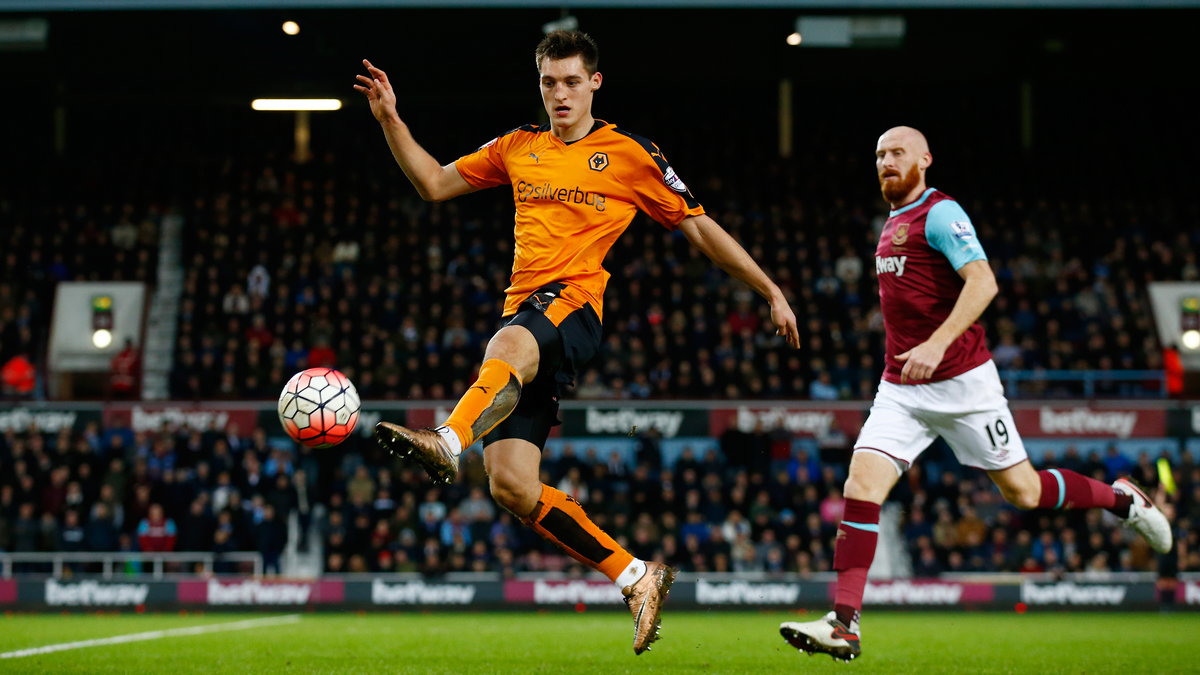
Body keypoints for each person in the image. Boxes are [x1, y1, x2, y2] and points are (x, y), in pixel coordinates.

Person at [356, 30, 799, 655]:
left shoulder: (628, 153)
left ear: (594, 82)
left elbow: (699, 229)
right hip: (527, 315)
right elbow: (432, 183)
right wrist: (391, 121)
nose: (558, 93)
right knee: (511, 484)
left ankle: (448, 440)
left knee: (505, 346)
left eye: (569, 81)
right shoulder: (517, 146)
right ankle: (637, 576)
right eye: (547, 82)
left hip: (572, 308)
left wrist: (770, 288)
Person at [778, 126, 1172, 662]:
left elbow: (983, 282)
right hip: (901, 387)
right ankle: (844, 623)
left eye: (897, 153)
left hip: (964, 384)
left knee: (1025, 492)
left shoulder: (940, 212)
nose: (886, 162)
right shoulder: (890, 223)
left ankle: (1123, 499)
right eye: (878, 155)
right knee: (861, 482)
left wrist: (937, 345)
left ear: (925, 159)